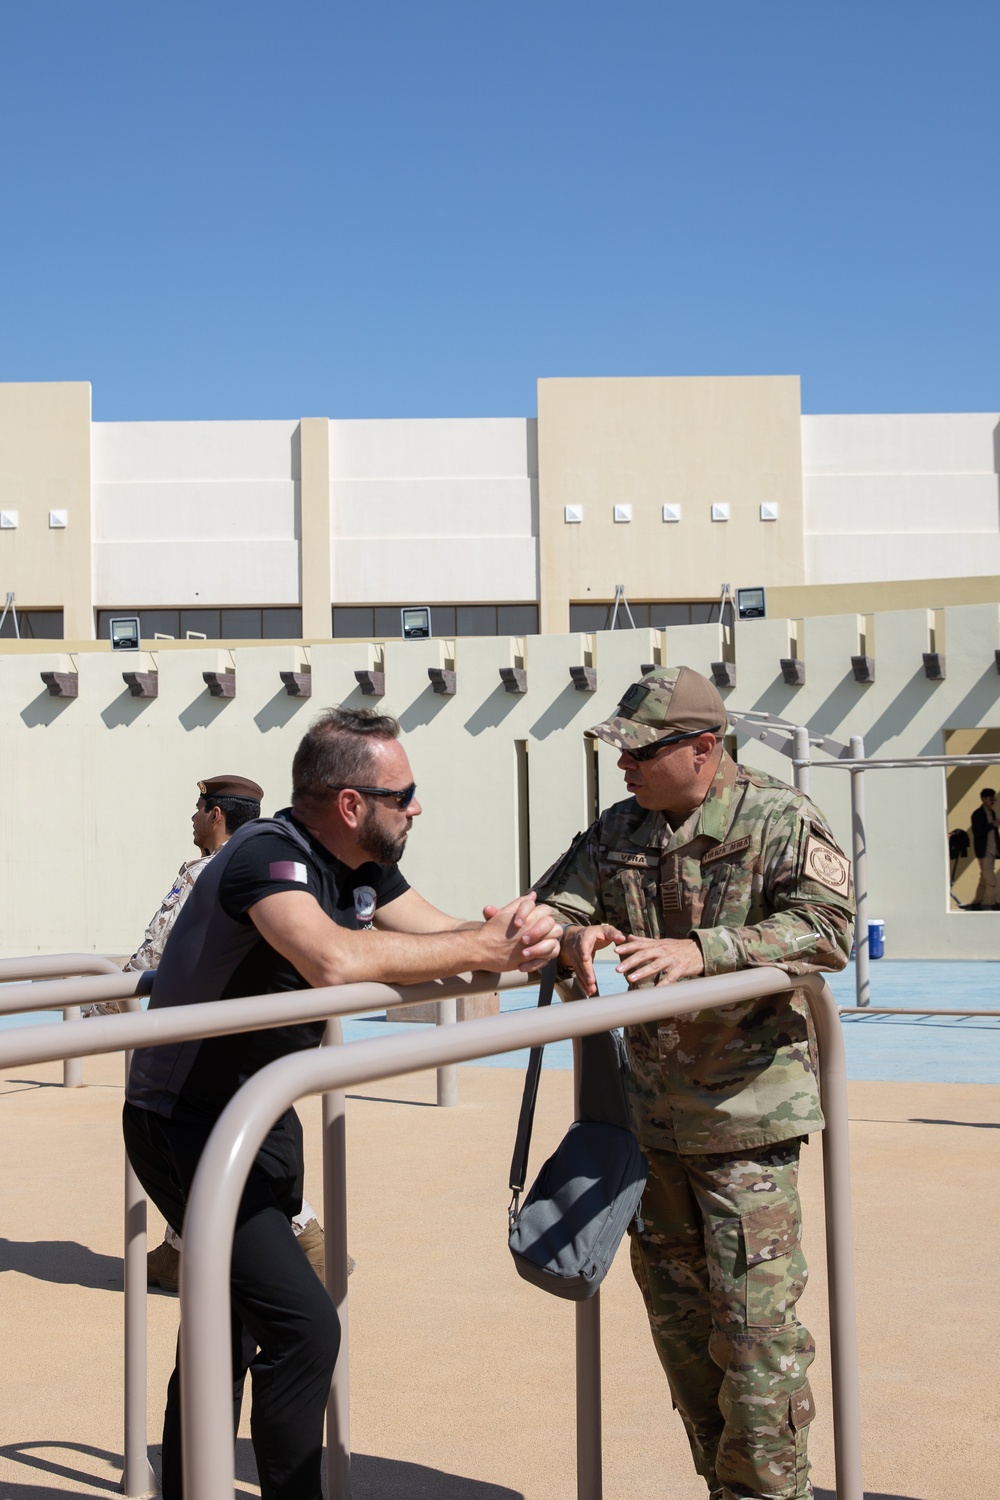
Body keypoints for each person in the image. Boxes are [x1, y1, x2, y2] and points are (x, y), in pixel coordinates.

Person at [121, 708, 562, 1500]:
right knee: (302, 1327)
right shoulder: (268, 855)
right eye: (406, 794)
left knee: (227, 1324)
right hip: (185, 1125)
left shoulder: (362, 864)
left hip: (257, 1122)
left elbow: (443, 933)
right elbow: (332, 959)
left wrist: (536, 936)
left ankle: (192, 1489)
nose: (417, 808)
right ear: (352, 804)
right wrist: (480, 949)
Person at [533, 667, 854, 1500]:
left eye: (639, 751)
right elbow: (556, 901)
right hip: (653, 1127)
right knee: (682, 1334)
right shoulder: (620, 828)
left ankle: (770, 1496)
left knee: (756, 1339)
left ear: (703, 749)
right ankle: (724, 1486)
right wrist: (573, 932)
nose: (624, 767)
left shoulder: (778, 816)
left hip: (746, 1122)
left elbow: (825, 928)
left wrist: (703, 951)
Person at [114, 775, 328, 1295]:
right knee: (248, 1139)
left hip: (202, 1040)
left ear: (215, 815)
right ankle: (197, 1251)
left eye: (197, 807)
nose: (191, 817)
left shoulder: (207, 871)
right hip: (265, 1035)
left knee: (193, 1141)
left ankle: (299, 1251)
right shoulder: (288, 868)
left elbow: (156, 951)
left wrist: (102, 1010)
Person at [967, 787, 998, 910]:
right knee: (990, 878)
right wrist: (992, 825)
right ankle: (993, 903)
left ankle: (977, 902)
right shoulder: (978, 814)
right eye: (991, 798)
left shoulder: (992, 812)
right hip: (984, 851)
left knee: (984, 878)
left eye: (994, 799)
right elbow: (977, 832)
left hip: (992, 850)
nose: (993, 801)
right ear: (983, 799)